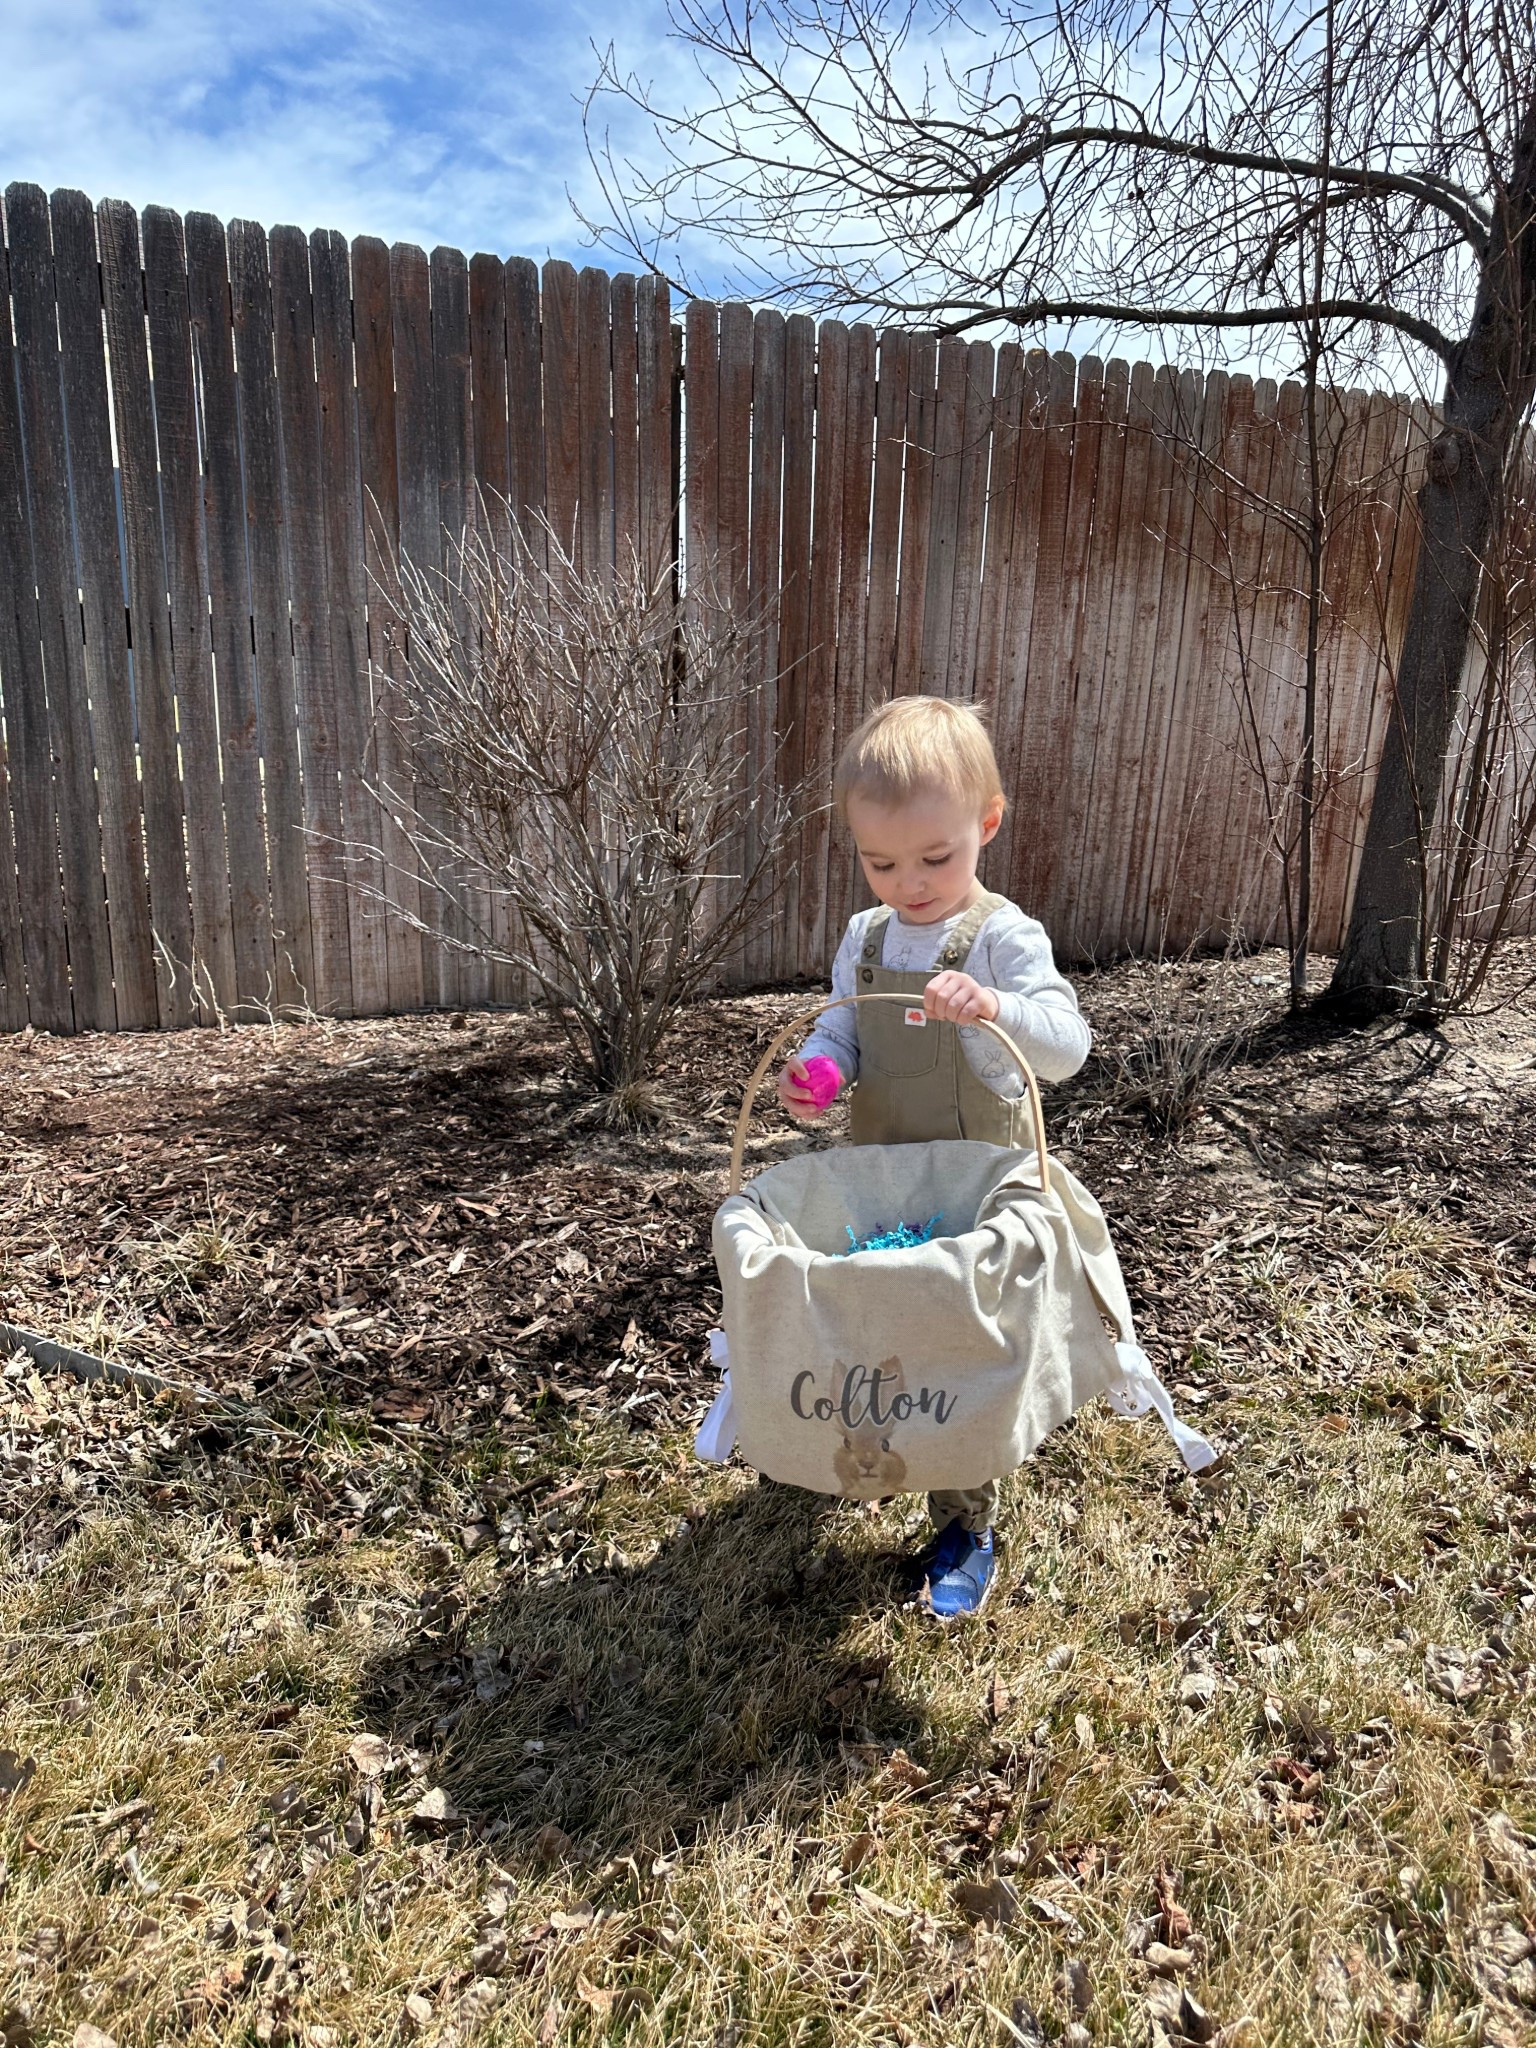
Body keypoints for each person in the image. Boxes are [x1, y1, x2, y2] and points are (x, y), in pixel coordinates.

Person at [776, 695, 1092, 1617]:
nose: (908, 883)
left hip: (975, 1193)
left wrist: (996, 1009)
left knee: (957, 1347)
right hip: (882, 1183)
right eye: (880, 862)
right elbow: (844, 1030)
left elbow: (1067, 1047)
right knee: (880, 1329)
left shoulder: (1001, 937)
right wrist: (822, 1073)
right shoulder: (867, 937)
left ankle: (964, 1519)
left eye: (934, 857)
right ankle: (870, 1451)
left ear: (986, 825)